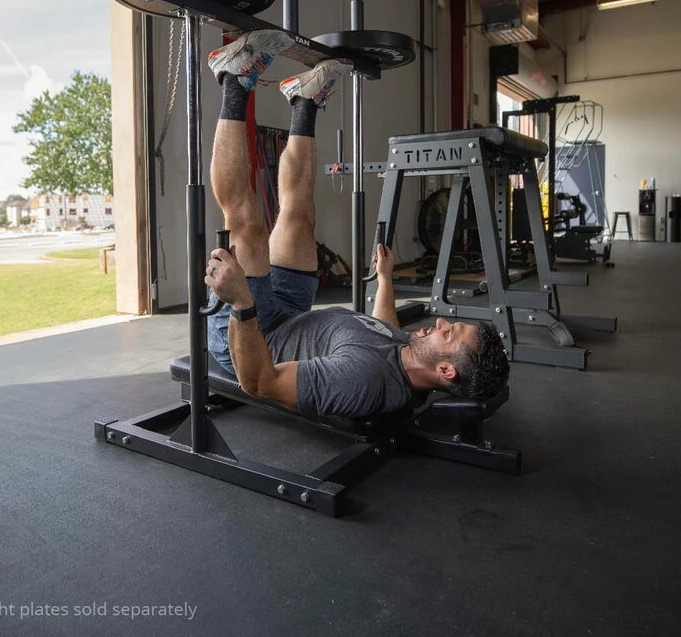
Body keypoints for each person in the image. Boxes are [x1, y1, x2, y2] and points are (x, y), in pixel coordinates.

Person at [204, 29, 509, 419]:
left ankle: (232, 79)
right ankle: (304, 99)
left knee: (249, 227)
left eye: (449, 333)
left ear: (446, 370)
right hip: (296, 312)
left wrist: (242, 302)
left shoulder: (364, 380)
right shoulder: (412, 356)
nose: (442, 321)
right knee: (300, 216)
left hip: (254, 336)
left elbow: (260, 382)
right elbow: (382, 328)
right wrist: (384, 280)